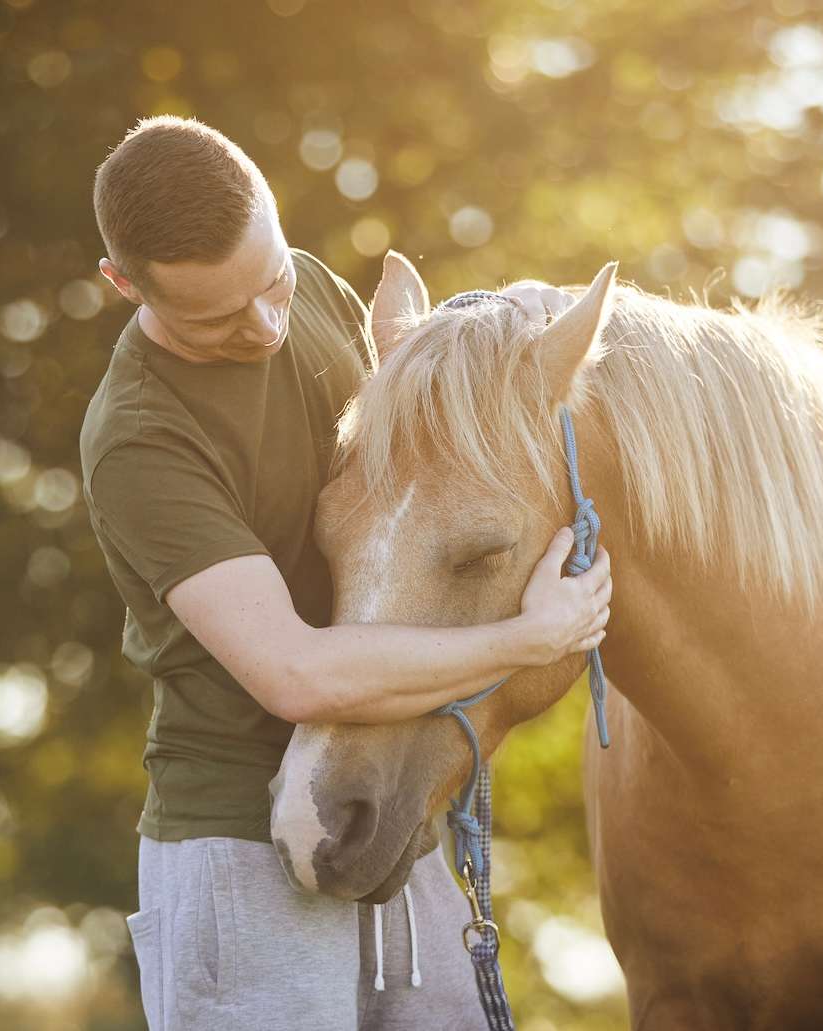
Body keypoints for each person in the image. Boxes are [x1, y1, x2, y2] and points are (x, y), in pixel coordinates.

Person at [79, 116, 612, 1031]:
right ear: (125, 286)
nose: (265, 325)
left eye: (272, 281)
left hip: (389, 806)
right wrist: (530, 638)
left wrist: (505, 326)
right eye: (218, 318)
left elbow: (419, 468)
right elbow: (295, 672)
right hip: (240, 851)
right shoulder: (140, 437)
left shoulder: (314, 292)